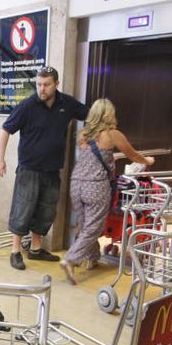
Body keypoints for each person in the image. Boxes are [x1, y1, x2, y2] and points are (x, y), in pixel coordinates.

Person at [0, 66, 89, 270]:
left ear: (56, 84)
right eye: (38, 84)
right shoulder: (27, 106)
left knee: (45, 211)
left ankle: (36, 249)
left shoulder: (66, 103)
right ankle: (15, 251)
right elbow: (5, 130)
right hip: (29, 168)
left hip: (53, 169)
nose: (41, 89)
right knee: (23, 209)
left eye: (46, 85)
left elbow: (89, 114)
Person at [62, 98, 155, 285]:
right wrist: (147, 161)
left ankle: (93, 257)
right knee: (94, 227)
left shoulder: (82, 135)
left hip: (76, 184)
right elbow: (132, 154)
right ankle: (71, 259)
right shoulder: (112, 134)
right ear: (109, 114)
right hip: (95, 185)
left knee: (84, 223)